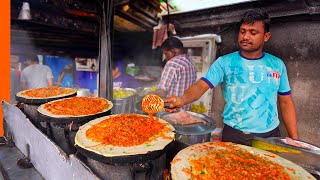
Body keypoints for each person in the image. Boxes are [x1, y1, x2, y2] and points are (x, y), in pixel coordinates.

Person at [164, 9, 298, 146]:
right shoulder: (224, 62)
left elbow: (286, 102)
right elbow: (201, 85)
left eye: (253, 33)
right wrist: (182, 99)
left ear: (266, 36)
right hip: (234, 134)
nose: (245, 37)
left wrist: (294, 139)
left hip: (270, 135)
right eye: (243, 31)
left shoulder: (277, 65)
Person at [155, 37, 197, 111]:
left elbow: (162, 92)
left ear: (172, 52)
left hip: (171, 110)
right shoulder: (191, 63)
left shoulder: (172, 64)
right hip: (185, 110)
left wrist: (146, 95)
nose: (166, 57)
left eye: (166, 53)